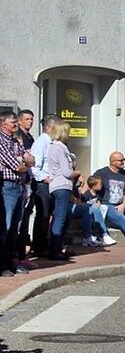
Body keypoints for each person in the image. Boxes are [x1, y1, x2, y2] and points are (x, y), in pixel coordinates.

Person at [46, 120, 96, 258]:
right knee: (60, 218)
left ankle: (58, 247)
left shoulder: (54, 147)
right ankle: (54, 250)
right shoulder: (59, 148)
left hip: (58, 186)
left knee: (64, 217)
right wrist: (78, 172)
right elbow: (67, 172)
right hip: (61, 186)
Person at [0, 111, 35, 276]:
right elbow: (18, 165)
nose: (16, 125)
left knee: (16, 227)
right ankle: (2, 265)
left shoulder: (16, 141)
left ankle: (10, 262)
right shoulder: (1, 141)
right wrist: (23, 162)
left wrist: (25, 162)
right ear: (3, 124)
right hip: (7, 187)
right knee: (5, 227)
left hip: (20, 186)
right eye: (13, 122)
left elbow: (31, 161)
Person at [29, 114, 60, 257]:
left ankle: (45, 244)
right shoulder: (41, 142)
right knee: (43, 215)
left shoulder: (54, 142)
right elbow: (35, 167)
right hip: (43, 185)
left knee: (49, 216)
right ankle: (38, 246)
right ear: (49, 127)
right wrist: (46, 178)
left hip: (53, 184)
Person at [14, 109, 37, 271]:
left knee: (25, 220)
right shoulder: (18, 138)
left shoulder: (30, 138)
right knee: (17, 222)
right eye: (27, 119)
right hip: (20, 183)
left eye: (32, 119)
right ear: (20, 121)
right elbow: (22, 161)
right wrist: (27, 160)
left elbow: (32, 160)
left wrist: (29, 160)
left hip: (29, 181)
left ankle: (22, 256)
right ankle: (16, 256)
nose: (30, 122)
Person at [79, 175, 117, 246]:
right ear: (93, 186)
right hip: (90, 215)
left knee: (105, 207)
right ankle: (103, 235)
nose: (102, 186)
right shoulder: (86, 195)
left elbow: (99, 202)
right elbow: (83, 203)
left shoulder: (98, 194)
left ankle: (102, 236)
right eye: (100, 184)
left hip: (97, 215)